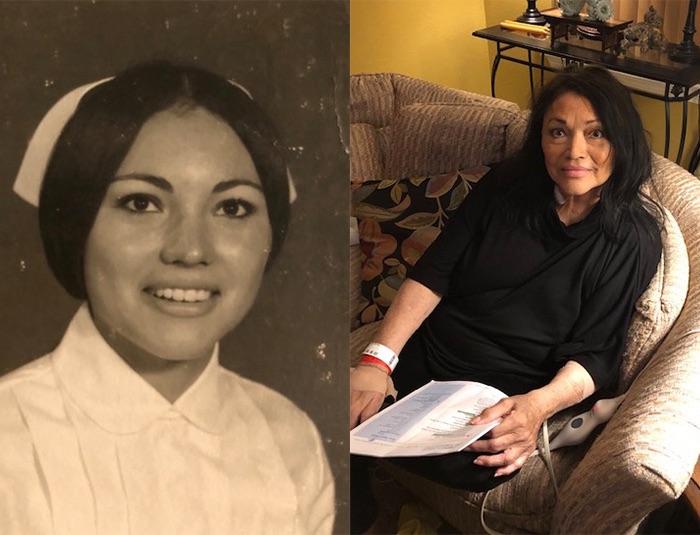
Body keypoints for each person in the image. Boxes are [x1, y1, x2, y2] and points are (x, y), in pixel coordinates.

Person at [0, 60, 334, 534]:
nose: (190, 250)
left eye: (232, 207)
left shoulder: (289, 438)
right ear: (75, 225)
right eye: (141, 202)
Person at [349, 65, 663, 531]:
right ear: (541, 138)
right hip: (433, 353)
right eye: (559, 131)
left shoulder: (633, 237)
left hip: (511, 383)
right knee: (347, 409)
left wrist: (537, 407)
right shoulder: (505, 186)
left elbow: (596, 354)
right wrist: (376, 362)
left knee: (482, 465)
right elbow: (435, 271)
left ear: (622, 143)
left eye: (596, 134)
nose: (575, 151)